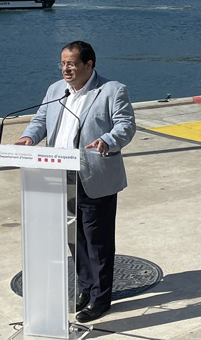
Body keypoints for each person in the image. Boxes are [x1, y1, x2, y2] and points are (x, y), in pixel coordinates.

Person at [16, 40, 135, 323]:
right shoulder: (56, 90)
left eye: (71, 64)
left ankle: (100, 298)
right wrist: (29, 137)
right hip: (59, 175)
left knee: (97, 241)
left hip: (94, 175)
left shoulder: (112, 90)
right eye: (63, 63)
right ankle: (85, 288)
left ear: (89, 65)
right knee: (75, 239)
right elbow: (41, 119)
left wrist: (108, 140)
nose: (66, 69)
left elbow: (126, 125)